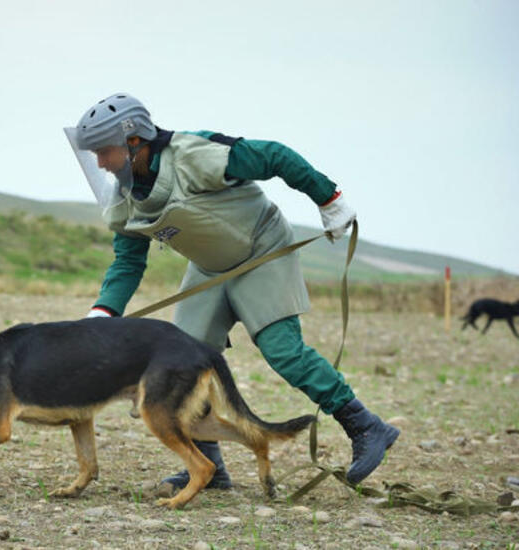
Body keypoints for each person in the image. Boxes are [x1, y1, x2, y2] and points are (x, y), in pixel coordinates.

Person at [65, 93, 399, 495]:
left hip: (263, 250)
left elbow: (275, 156)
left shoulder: (195, 154)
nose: (100, 164)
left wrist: (329, 198)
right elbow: (127, 264)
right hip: (209, 269)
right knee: (181, 364)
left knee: (283, 352)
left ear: (134, 141)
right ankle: (212, 471)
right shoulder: (123, 201)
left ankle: (366, 426)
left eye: (105, 152)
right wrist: (102, 313)